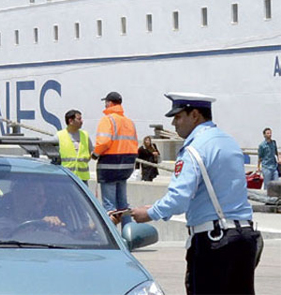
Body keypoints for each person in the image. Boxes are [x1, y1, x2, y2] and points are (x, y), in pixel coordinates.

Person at [131, 93, 261, 295]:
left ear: (195, 115)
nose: (174, 123)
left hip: (214, 240)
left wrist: (149, 213)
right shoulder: (229, 142)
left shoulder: (193, 149)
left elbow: (179, 199)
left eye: (178, 116)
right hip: (244, 238)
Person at [92, 91, 138, 226]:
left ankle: (111, 239)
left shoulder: (107, 120)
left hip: (109, 165)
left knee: (109, 206)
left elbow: (104, 142)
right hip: (126, 166)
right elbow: (134, 143)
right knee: (123, 205)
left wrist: (95, 154)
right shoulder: (129, 122)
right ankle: (129, 235)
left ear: (109, 103)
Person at [56, 109, 93, 183]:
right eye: (79, 119)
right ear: (71, 121)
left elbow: (91, 151)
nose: (81, 121)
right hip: (66, 177)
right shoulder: (59, 136)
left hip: (82, 178)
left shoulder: (85, 135)